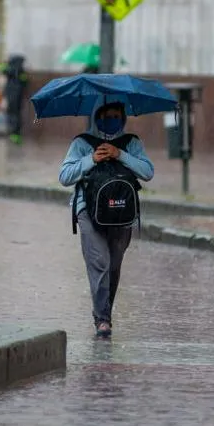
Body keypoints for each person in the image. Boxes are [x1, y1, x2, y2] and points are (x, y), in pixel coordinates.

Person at [59, 100, 154, 338]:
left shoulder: (131, 143)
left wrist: (120, 155)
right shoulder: (81, 143)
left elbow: (147, 172)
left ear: (122, 118)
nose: (110, 120)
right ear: (96, 116)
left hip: (122, 213)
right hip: (88, 212)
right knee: (99, 261)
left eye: (115, 116)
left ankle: (104, 312)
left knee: (113, 266)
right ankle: (102, 319)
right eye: (105, 115)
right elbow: (65, 176)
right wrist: (92, 159)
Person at [3, 54, 28, 144]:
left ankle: (14, 133)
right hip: (17, 96)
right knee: (16, 114)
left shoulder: (10, 69)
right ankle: (15, 133)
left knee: (13, 114)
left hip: (13, 96)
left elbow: (2, 70)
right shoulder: (20, 71)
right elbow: (25, 82)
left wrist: (5, 63)